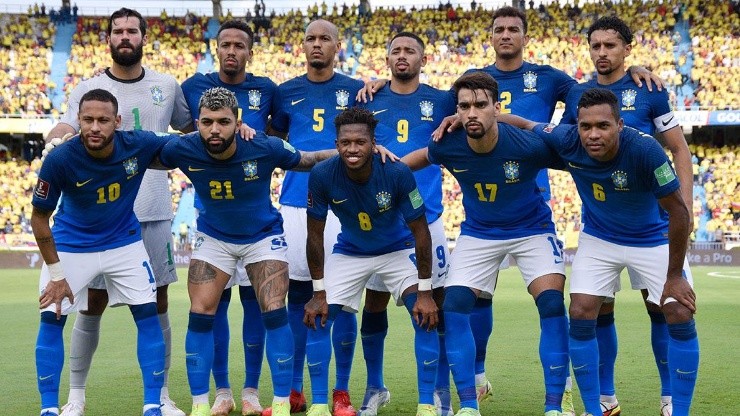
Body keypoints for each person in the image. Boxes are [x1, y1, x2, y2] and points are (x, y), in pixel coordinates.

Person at [502, 88, 698, 416]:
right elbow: (522, 123)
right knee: (580, 311)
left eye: (603, 126)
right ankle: (596, 409)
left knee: (678, 311)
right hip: (600, 238)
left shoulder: (646, 150)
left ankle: (679, 410)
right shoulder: (566, 139)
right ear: (576, 126)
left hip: (652, 238)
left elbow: (679, 212)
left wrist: (674, 275)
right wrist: (472, 117)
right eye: (586, 126)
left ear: (619, 124)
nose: (593, 134)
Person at [44, 8, 192, 416]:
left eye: (132, 31)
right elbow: (64, 128)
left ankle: (160, 397)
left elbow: (189, 131)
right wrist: (54, 139)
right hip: (99, 220)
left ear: (144, 37)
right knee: (90, 305)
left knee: (158, 304)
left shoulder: (167, 84)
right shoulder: (90, 87)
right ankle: (76, 398)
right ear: (108, 39)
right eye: (117, 31)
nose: (124, 37)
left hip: (154, 211)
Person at [156, 87, 337, 416]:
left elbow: (308, 160)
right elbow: (141, 152)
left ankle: (281, 403)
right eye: (207, 122)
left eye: (223, 122)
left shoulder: (263, 147)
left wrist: (353, 153)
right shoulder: (183, 148)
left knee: (273, 310)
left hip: (262, 237)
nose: (215, 130)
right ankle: (200, 405)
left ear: (237, 121)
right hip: (213, 238)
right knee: (200, 315)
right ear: (197, 123)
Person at [403, 72, 569, 416]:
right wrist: (384, 180)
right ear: (456, 111)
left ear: (497, 107)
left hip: (532, 229)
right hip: (479, 232)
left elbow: (577, 160)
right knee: (455, 306)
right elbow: (419, 158)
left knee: (552, 303)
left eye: (481, 105)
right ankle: (468, 404)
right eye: (464, 106)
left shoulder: (528, 145)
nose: (472, 113)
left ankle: (557, 403)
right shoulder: (448, 143)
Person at [559, 16, 693, 416]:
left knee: (663, 307)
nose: (602, 53)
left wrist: (683, 206)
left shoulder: (648, 91)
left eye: (610, 46)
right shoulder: (578, 93)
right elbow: (567, 144)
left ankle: (670, 400)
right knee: (596, 308)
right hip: (602, 225)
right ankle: (605, 399)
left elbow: (680, 150)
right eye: (595, 46)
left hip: (653, 226)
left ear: (626, 49)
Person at [32, 89, 175, 416]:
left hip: (124, 244)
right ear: (78, 121)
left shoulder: (137, 143)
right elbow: (39, 217)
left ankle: (153, 405)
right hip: (70, 246)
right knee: (51, 318)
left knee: (148, 316)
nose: (95, 127)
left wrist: (227, 130)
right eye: (87, 120)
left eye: (103, 120)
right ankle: (49, 409)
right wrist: (57, 275)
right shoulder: (61, 158)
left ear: (117, 122)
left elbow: (182, 142)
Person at [303, 107, 439, 416]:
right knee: (319, 317)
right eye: (345, 142)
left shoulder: (396, 172)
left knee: (425, 316)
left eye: (360, 142)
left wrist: (426, 291)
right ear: (336, 144)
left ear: (373, 142)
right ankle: (321, 405)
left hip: (396, 250)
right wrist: (318, 292)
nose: (352, 149)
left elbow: (421, 233)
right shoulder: (323, 174)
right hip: (351, 251)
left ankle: (427, 405)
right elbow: (314, 236)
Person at [266, 18, 365, 416]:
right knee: (298, 297)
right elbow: (272, 135)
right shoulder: (285, 92)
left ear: (338, 46)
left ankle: (339, 392)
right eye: (311, 39)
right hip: (295, 203)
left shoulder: (358, 90)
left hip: (346, 205)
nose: (317, 45)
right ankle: (293, 390)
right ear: (302, 46)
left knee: (340, 301)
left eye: (326, 38)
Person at [356, 32, 456, 416]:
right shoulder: (369, 98)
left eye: (409, 50)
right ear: (386, 59)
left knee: (436, 307)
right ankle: (375, 387)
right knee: (375, 302)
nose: (402, 56)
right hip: (380, 221)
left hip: (427, 219)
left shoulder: (443, 100)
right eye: (395, 50)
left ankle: (439, 393)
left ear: (423, 59)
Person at [181, 19, 277, 416]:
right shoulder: (191, 87)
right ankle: (222, 391)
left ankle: (251, 390)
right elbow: (184, 130)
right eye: (226, 44)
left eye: (240, 44)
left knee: (255, 305)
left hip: (254, 219)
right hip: (213, 220)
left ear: (250, 52)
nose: (232, 50)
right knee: (213, 307)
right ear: (215, 49)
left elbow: (278, 137)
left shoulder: (267, 90)